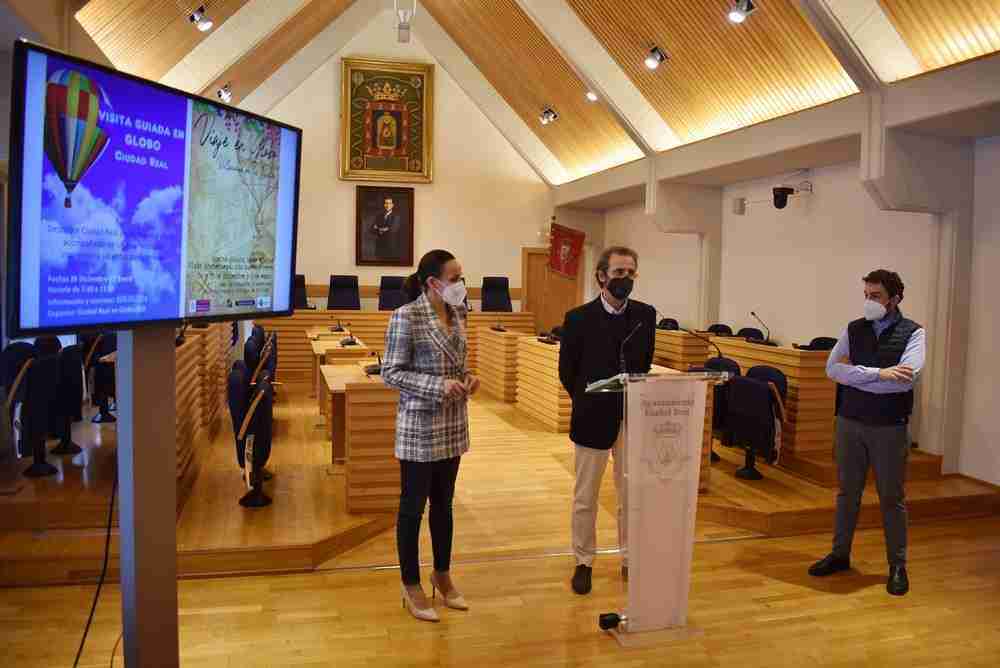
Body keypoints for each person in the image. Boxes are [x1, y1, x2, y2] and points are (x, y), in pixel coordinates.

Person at [809, 269, 926, 596]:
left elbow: (906, 378)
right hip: (849, 422)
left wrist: (859, 376)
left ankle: (897, 566)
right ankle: (839, 554)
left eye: (875, 296)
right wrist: (879, 374)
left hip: (889, 427)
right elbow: (832, 369)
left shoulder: (914, 333)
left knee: (892, 498)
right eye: (866, 295)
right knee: (848, 493)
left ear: (895, 298)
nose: (868, 302)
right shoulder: (853, 329)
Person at [382, 249, 480, 622]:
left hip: (453, 425)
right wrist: (438, 386)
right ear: (432, 283)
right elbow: (391, 372)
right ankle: (410, 585)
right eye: (455, 279)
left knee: (444, 505)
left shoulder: (459, 313)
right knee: (412, 509)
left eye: (461, 277)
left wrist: (469, 378)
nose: (461, 285)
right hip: (419, 427)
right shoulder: (405, 316)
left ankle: (442, 574)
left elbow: (459, 362)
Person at [558, 246, 656, 595]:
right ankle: (583, 560)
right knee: (586, 496)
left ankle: (631, 558)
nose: (625, 280)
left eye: (630, 273)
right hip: (592, 417)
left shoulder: (646, 315)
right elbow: (567, 373)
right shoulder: (578, 318)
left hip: (631, 417)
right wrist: (590, 400)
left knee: (631, 494)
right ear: (601, 275)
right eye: (618, 273)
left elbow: (643, 365)